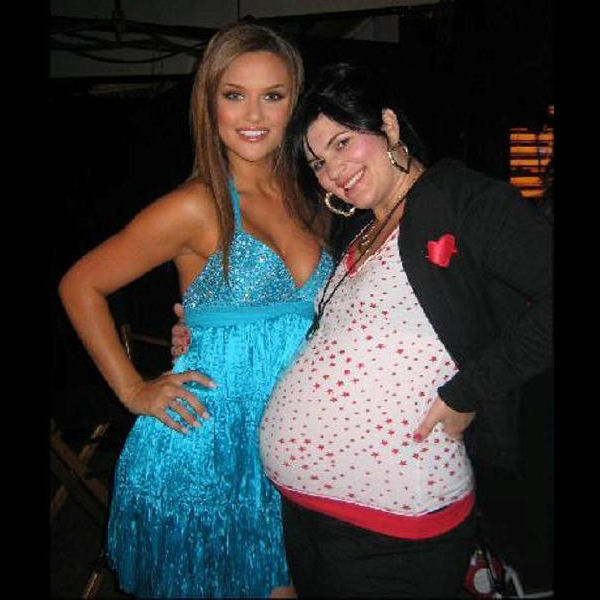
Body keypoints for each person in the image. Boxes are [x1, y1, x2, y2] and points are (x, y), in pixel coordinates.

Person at [255, 62, 553, 598]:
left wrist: (470, 389)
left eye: (343, 142)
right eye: (319, 163)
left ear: (388, 125)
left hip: (392, 531)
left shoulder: (459, 196)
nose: (333, 171)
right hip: (306, 517)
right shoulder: (360, 232)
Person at [58, 22, 333, 598]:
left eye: (272, 95)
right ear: (209, 104)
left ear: (294, 104)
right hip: (207, 450)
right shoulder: (196, 205)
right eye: (234, 95)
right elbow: (81, 284)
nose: (253, 114)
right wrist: (134, 390)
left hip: (291, 450)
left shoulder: (312, 197)